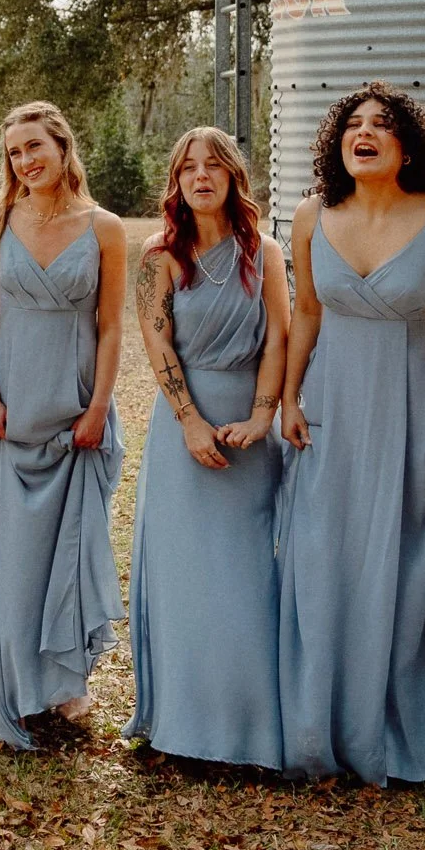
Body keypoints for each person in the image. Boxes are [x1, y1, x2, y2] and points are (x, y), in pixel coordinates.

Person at [277, 83, 425, 786]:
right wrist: (287, 396)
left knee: (406, 565)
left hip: (412, 412)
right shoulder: (311, 215)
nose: (363, 132)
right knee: (323, 556)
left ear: (406, 147)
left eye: (382, 125)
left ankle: (406, 728)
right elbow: (304, 312)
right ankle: (323, 724)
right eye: (353, 124)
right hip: (332, 406)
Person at [122, 128, 291, 768]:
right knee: (185, 577)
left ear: (233, 176)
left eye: (214, 165)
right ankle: (184, 727)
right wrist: (190, 420)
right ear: (175, 179)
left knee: (249, 579)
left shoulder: (265, 252)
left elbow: (280, 337)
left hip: (251, 434)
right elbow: (157, 343)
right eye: (188, 165)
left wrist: (261, 416)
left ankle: (250, 730)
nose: (201, 175)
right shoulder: (158, 253)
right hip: (182, 430)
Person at [0, 102, 126, 748]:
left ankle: (62, 681)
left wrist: (98, 407)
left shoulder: (105, 227)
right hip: (10, 414)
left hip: (76, 415)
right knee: (12, 562)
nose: (25, 161)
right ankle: (20, 688)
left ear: (63, 146)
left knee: (69, 551)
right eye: (14, 153)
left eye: (35, 147)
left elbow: (111, 325)